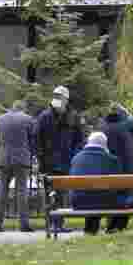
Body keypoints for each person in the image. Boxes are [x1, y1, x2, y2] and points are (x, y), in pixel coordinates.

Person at [37, 86, 84, 234]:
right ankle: (52, 224)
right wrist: (41, 157)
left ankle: (58, 224)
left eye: (60, 96)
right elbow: (37, 139)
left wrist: (73, 155)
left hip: (64, 161)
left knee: (60, 194)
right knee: (51, 194)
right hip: (49, 163)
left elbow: (79, 139)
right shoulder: (45, 116)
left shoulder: (72, 116)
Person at [0, 100, 37, 233]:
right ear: (23, 109)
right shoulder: (28, 119)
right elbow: (32, 140)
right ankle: (23, 224)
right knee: (21, 192)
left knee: (2, 191)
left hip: (4, 158)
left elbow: (0, 138)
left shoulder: (1, 119)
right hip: (21, 158)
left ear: (12, 108)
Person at [99, 103, 133, 233]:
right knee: (127, 196)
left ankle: (111, 226)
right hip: (127, 167)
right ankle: (120, 226)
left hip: (108, 167)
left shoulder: (103, 126)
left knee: (111, 196)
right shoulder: (128, 123)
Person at [69, 132, 122, 236]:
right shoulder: (112, 160)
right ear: (104, 144)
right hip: (105, 202)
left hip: (78, 202)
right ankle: (113, 229)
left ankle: (90, 230)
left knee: (90, 196)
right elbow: (118, 185)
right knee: (121, 200)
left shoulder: (76, 158)